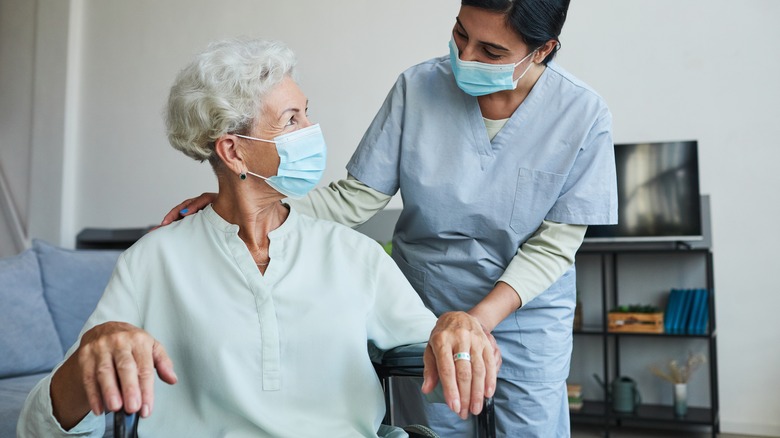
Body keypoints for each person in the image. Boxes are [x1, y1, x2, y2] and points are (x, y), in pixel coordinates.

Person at [163, 1, 617, 436]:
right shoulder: (417, 88)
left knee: (530, 428)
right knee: (435, 428)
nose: (466, 55)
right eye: (461, 33)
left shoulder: (582, 113)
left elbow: (555, 243)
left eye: (492, 51)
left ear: (543, 50)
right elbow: (356, 197)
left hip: (524, 316)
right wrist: (249, 204)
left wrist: (476, 320)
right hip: (426, 302)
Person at [17, 37, 499, 438]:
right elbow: (39, 426)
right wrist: (90, 353)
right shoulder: (153, 260)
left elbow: (440, 348)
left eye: (306, 113)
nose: (312, 131)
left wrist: (455, 326)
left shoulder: (354, 254)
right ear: (233, 151)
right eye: (291, 120)